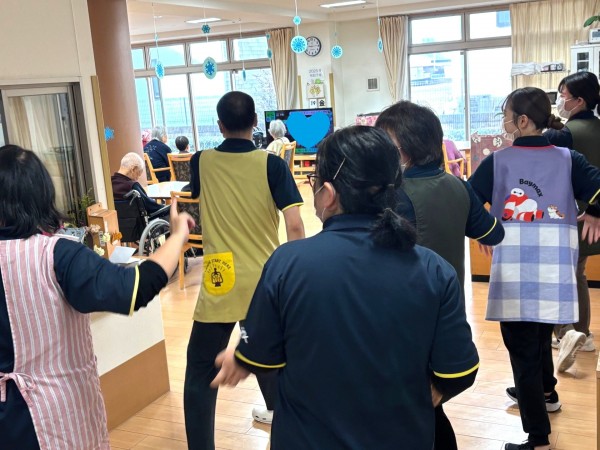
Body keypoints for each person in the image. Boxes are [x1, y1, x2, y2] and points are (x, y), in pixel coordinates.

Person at [210, 126, 480, 450]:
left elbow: (260, 353)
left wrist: (241, 357)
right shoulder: (434, 270)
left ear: (328, 193)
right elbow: (459, 372)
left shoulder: (288, 263)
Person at [0, 145, 194, 450]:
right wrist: (178, 235)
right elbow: (133, 288)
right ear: (40, 193)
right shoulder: (56, 255)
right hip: (52, 415)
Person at [468, 87, 600, 450]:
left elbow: (467, 201)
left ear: (522, 121)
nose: (504, 121)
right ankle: (546, 393)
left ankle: (538, 439)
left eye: (506, 115)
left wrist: (484, 229)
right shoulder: (569, 158)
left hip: (516, 268)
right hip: (556, 267)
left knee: (522, 347)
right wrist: (594, 211)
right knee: (540, 334)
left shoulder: (498, 161)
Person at [375, 100, 504, 450]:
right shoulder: (457, 185)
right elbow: (493, 233)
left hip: (403, 319)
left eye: (385, 143)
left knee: (412, 409)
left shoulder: (394, 196)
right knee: (428, 406)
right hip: (446, 312)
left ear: (406, 148)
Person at [184, 91, 305, 449]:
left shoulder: (200, 160)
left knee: (200, 372)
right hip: (265, 279)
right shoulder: (273, 165)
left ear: (219, 125)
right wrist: (295, 274)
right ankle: (290, 439)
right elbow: (295, 225)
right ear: (255, 122)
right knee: (271, 368)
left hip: (220, 277)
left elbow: (195, 197)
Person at [544, 71, 600, 369]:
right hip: (593, 214)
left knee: (565, 274)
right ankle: (583, 332)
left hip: (574, 213)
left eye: (562, 95)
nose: (559, 100)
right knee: (578, 272)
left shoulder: (568, 134)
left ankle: (570, 332)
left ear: (579, 100)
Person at [111, 152, 170, 217]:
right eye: (138, 174)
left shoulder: (109, 183)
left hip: (115, 220)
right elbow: (151, 207)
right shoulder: (132, 186)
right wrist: (168, 208)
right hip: (136, 222)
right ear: (133, 169)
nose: (137, 178)